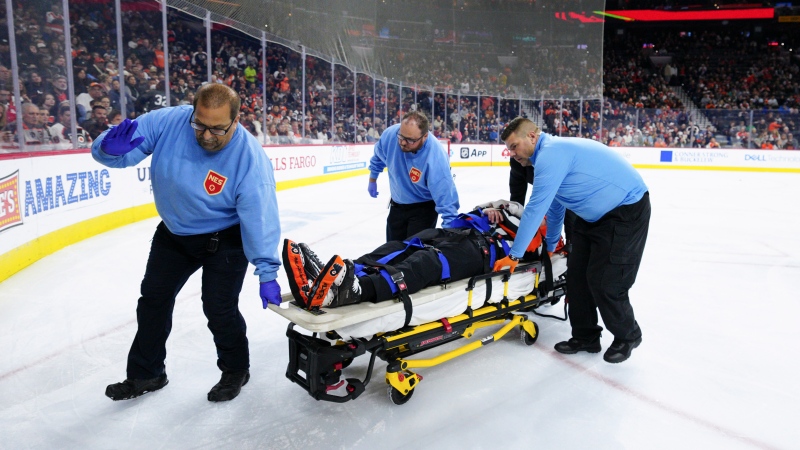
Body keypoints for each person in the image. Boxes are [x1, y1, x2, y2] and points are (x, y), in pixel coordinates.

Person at [91, 83, 282, 402]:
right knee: (152, 301)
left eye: (217, 129)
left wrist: (267, 271)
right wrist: (107, 148)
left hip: (226, 239)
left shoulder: (250, 160)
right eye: (200, 125)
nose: (206, 135)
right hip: (175, 233)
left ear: (236, 120)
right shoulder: (167, 122)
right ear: (192, 112)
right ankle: (147, 373)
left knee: (218, 307)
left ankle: (236, 368)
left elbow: (260, 219)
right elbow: (120, 156)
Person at [494, 117, 650, 364]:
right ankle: (586, 337)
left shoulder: (550, 155)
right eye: (509, 149)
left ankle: (628, 335)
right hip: (591, 216)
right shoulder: (546, 158)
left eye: (514, 146)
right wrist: (552, 245)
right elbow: (555, 207)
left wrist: (514, 255)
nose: (511, 154)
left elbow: (535, 209)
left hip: (625, 210)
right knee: (576, 276)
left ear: (532, 137)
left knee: (606, 281)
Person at [282, 199, 549, 310]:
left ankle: (355, 290)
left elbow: (536, 246)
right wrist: (495, 209)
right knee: (400, 246)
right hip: (461, 233)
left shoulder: (543, 231)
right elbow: (494, 205)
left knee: (428, 262)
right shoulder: (519, 208)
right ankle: (346, 272)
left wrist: (505, 214)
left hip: (484, 251)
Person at [368, 110, 460, 242]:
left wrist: (450, 231)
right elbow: (378, 157)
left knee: (414, 256)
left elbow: (445, 195)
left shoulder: (435, 156)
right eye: (401, 136)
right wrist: (373, 178)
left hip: (423, 209)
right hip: (397, 206)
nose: (403, 143)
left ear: (425, 137)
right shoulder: (390, 135)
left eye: (410, 140)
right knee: (391, 253)